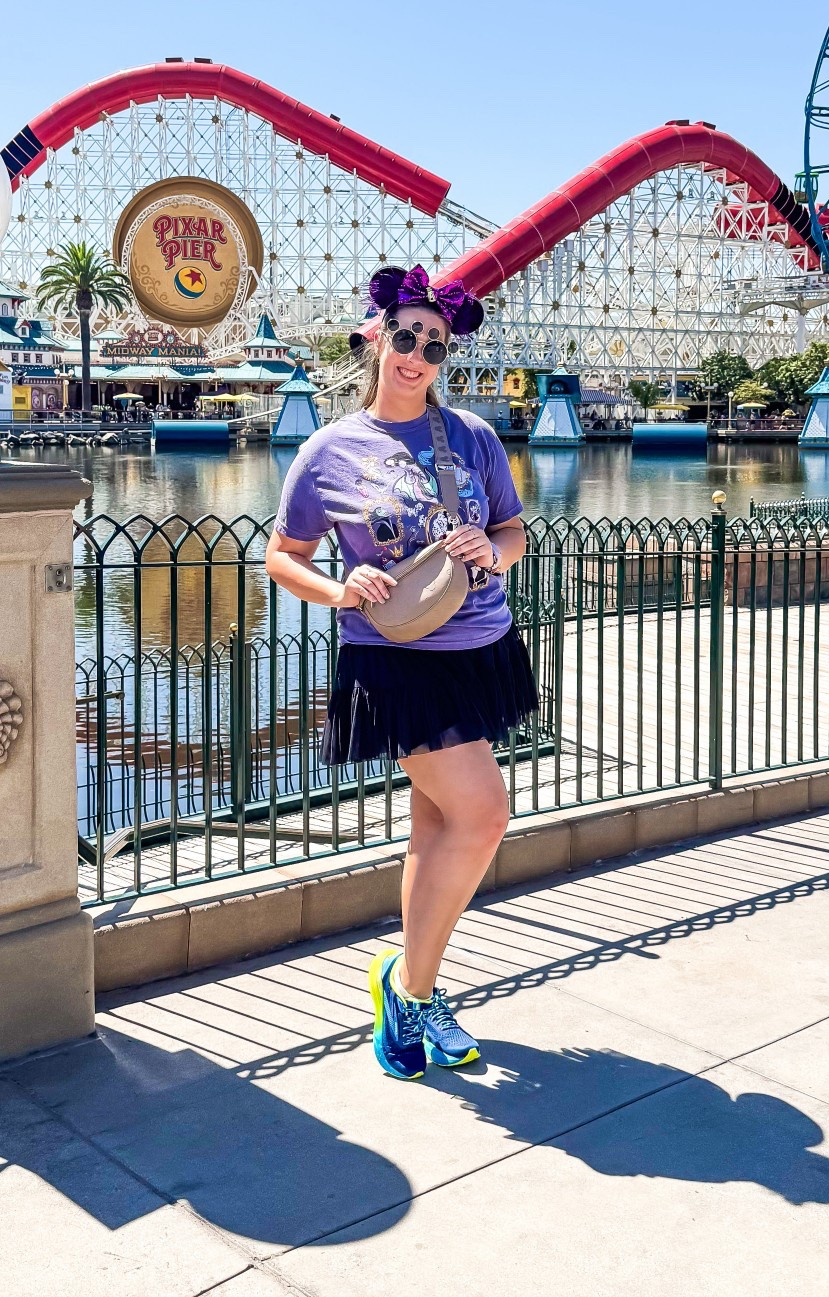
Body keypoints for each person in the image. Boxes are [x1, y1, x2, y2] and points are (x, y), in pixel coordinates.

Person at [266, 264, 539, 1082]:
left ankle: (411, 986)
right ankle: (409, 988)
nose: (417, 355)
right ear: (376, 338)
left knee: (437, 826)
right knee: (485, 813)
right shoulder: (327, 452)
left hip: (480, 648)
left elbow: (515, 531)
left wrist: (493, 550)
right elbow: (282, 555)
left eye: (434, 345)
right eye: (406, 337)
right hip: (396, 663)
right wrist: (338, 587)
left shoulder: (474, 438)